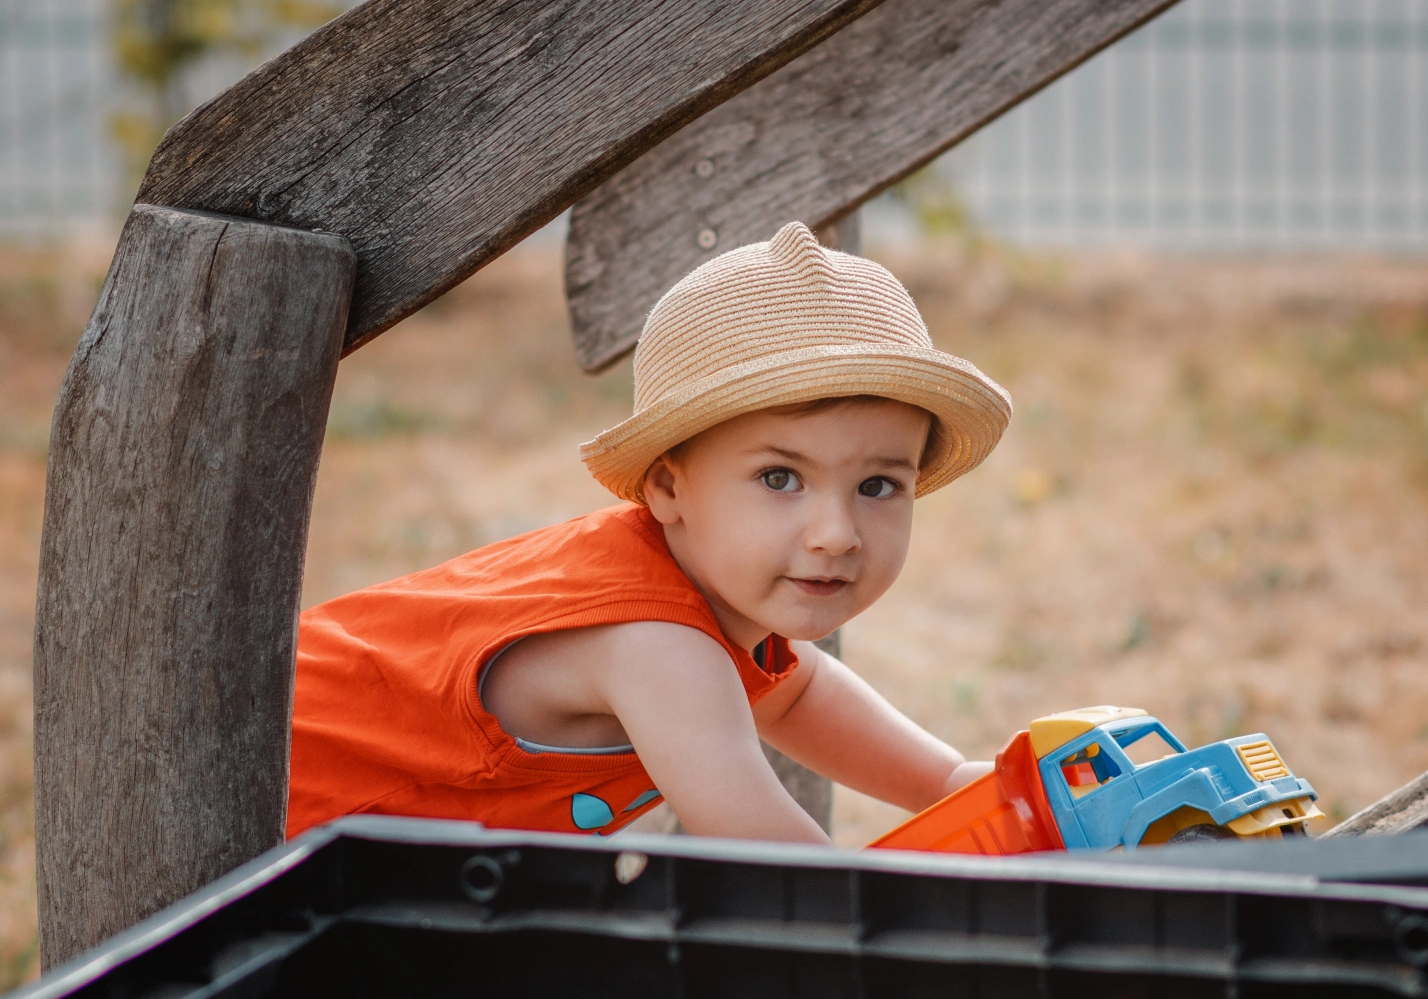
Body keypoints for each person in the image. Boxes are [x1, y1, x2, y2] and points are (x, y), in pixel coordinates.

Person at [287, 221, 1013, 844]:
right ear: (668, 488)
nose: (836, 533)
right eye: (780, 478)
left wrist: (951, 783)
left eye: (878, 486)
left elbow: (796, 692)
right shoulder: (655, 644)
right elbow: (784, 870)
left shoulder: (717, 612)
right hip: (265, 815)